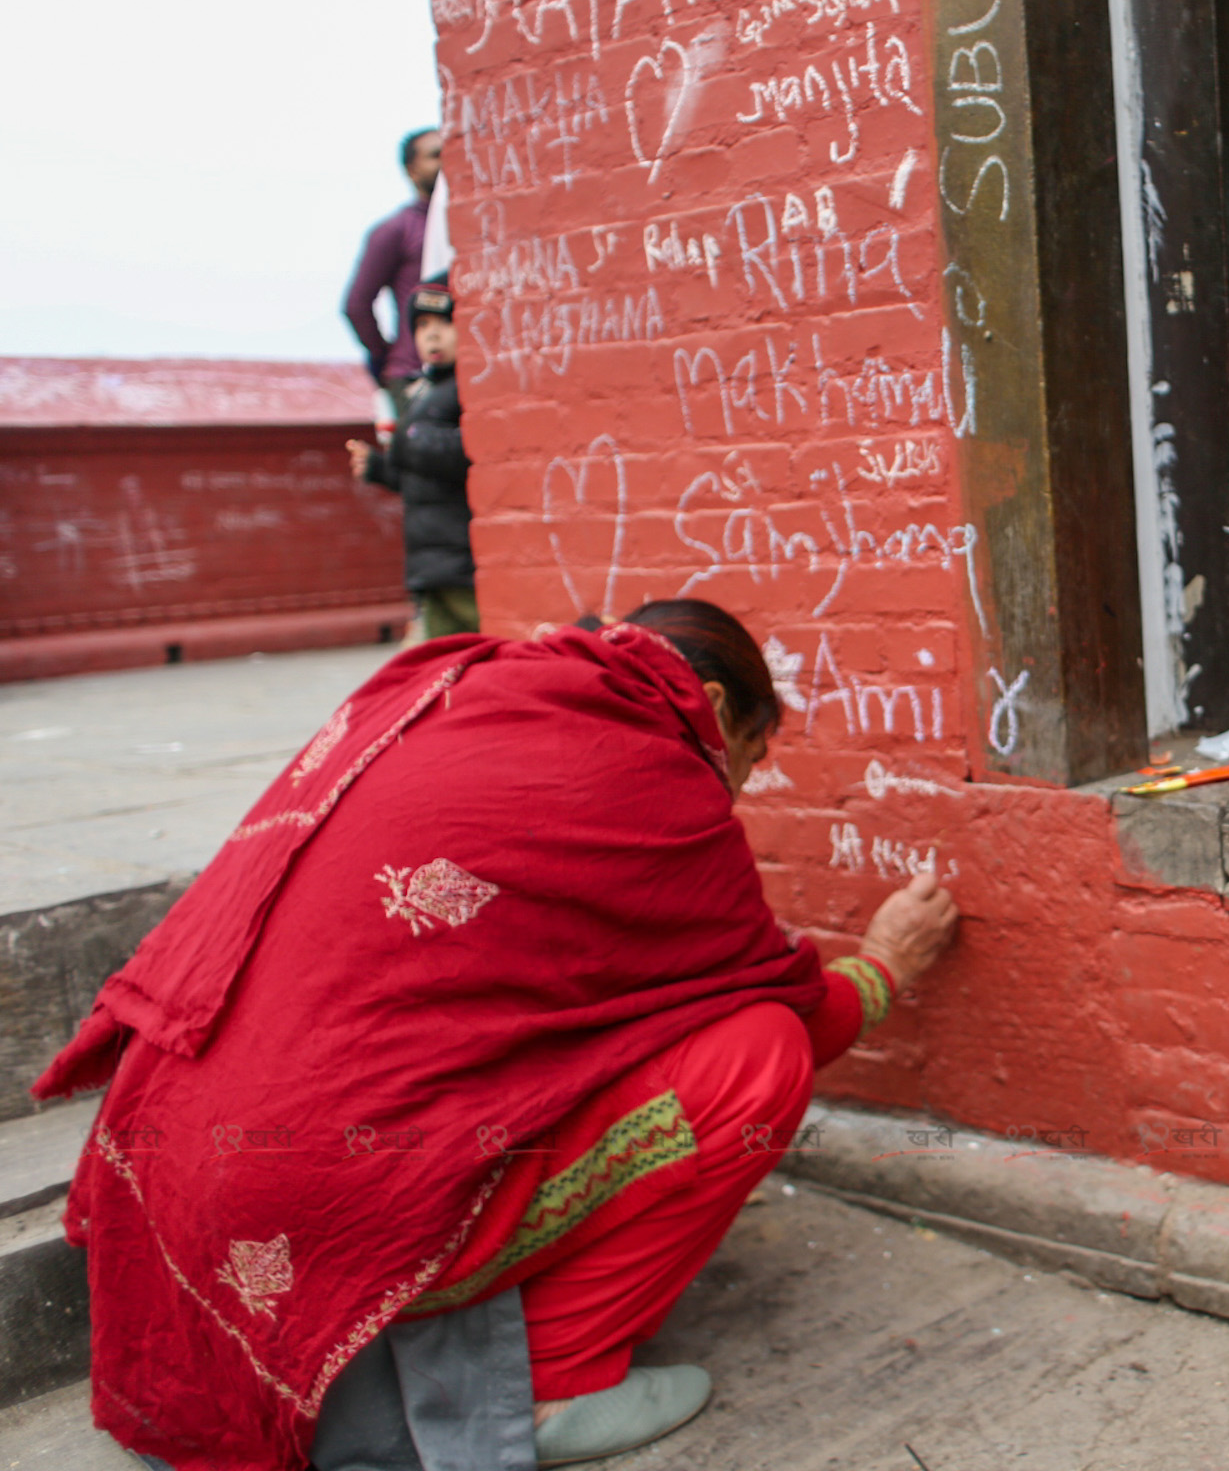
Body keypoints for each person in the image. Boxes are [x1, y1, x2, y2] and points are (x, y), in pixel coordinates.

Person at [33, 599, 959, 1470]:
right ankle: (554, 1384)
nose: (741, 790)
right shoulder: (659, 778)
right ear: (714, 708)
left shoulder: (454, 685)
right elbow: (802, 1017)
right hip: (312, 1204)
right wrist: (885, 965)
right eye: (752, 759)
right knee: (761, 1054)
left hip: (169, 1167)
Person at [350, 275, 477, 639]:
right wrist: (378, 468)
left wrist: (409, 437)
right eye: (422, 327)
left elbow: (469, 452)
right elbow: (418, 478)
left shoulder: (468, 387)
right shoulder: (422, 393)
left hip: (463, 562)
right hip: (431, 566)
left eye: (443, 323)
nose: (432, 336)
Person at [344, 128, 443, 429]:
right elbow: (357, 305)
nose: (446, 163)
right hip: (414, 375)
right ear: (411, 170)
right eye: (435, 155)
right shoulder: (394, 230)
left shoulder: (469, 220)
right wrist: (387, 358)